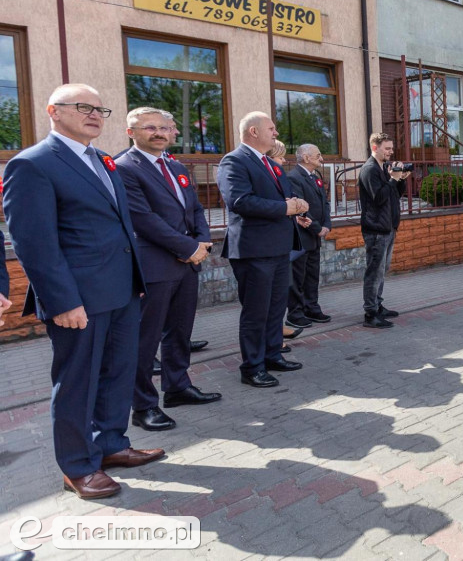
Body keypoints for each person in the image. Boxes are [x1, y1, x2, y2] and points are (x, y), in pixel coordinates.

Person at [3, 84, 162, 499]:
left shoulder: (103, 161)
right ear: (53, 111)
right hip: (79, 300)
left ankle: (110, 445)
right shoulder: (32, 164)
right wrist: (62, 301)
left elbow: (120, 227)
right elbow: (34, 243)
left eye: (100, 108)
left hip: (122, 291)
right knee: (78, 382)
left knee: (118, 373)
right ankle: (77, 466)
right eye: (84, 107)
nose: (94, 114)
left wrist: (135, 281)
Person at [116, 107, 220, 432]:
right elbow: (142, 218)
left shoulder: (175, 166)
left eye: (164, 127)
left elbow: (196, 208)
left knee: (180, 333)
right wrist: (188, 248)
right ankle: (144, 406)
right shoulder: (123, 168)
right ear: (131, 131)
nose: (159, 132)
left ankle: (177, 388)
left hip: (186, 266)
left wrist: (202, 241)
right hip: (155, 266)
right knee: (145, 341)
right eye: (150, 127)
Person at [217, 113, 310, 388]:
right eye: (271, 128)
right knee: (256, 312)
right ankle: (252, 367)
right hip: (254, 250)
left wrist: (297, 206)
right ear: (254, 131)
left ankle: (272, 355)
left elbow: (282, 196)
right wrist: (285, 208)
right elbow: (240, 201)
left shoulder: (271, 164)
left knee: (275, 308)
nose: (276, 132)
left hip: (279, 247)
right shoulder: (233, 161)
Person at [358, 132, 410, 328]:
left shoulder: (383, 168)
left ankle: (378, 305)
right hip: (376, 229)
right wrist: (392, 180)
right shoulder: (369, 169)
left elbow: (395, 195)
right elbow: (378, 198)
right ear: (375, 148)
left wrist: (400, 179)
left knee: (382, 270)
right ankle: (370, 313)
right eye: (387, 148)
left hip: (388, 227)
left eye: (391, 148)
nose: (391, 151)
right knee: (374, 271)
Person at [287, 143, 333, 326]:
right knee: (298, 277)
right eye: (318, 155)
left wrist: (327, 224)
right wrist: (316, 227)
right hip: (302, 235)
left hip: (315, 236)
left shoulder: (315, 176)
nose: (321, 158)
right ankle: (295, 313)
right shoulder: (294, 178)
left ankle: (311, 308)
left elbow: (324, 202)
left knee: (313, 275)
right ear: (306, 158)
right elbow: (299, 208)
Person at [266, 140, 305, 343]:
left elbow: (289, 198)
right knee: (269, 296)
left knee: (280, 292)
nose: (283, 161)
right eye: (280, 157)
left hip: (283, 243)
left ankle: (277, 329)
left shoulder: (279, 176)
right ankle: (273, 334)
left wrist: (297, 209)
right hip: (268, 245)